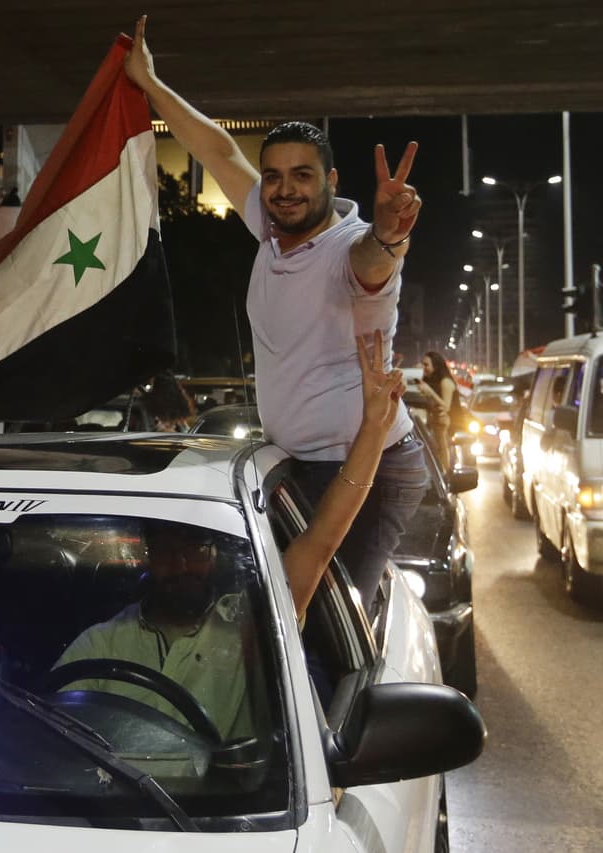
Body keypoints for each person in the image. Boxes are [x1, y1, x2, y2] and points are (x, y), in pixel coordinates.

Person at [124, 15, 429, 610]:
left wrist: (392, 235)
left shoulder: (351, 245)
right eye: (273, 177)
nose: (285, 189)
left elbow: (374, 265)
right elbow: (216, 147)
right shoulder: (269, 226)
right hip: (300, 465)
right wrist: (151, 83)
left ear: (332, 181)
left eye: (302, 176)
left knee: (316, 624)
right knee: (269, 614)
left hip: (370, 471)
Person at [56, 331, 406, 737]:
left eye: (196, 549)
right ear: (147, 554)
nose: (185, 565)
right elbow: (57, 746)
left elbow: (323, 536)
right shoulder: (100, 645)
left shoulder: (249, 624)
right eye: (170, 552)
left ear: (215, 553)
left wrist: (375, 428)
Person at [416, 351, 461, 462]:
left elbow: (446, 407)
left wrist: (430, 392)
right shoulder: (430, 381)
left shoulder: (446, 382)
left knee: (442, 451)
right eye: (423, 364)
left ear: (435, 366)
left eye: (426, 364)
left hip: (445, 426)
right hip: (431, 425)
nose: (423, 367)